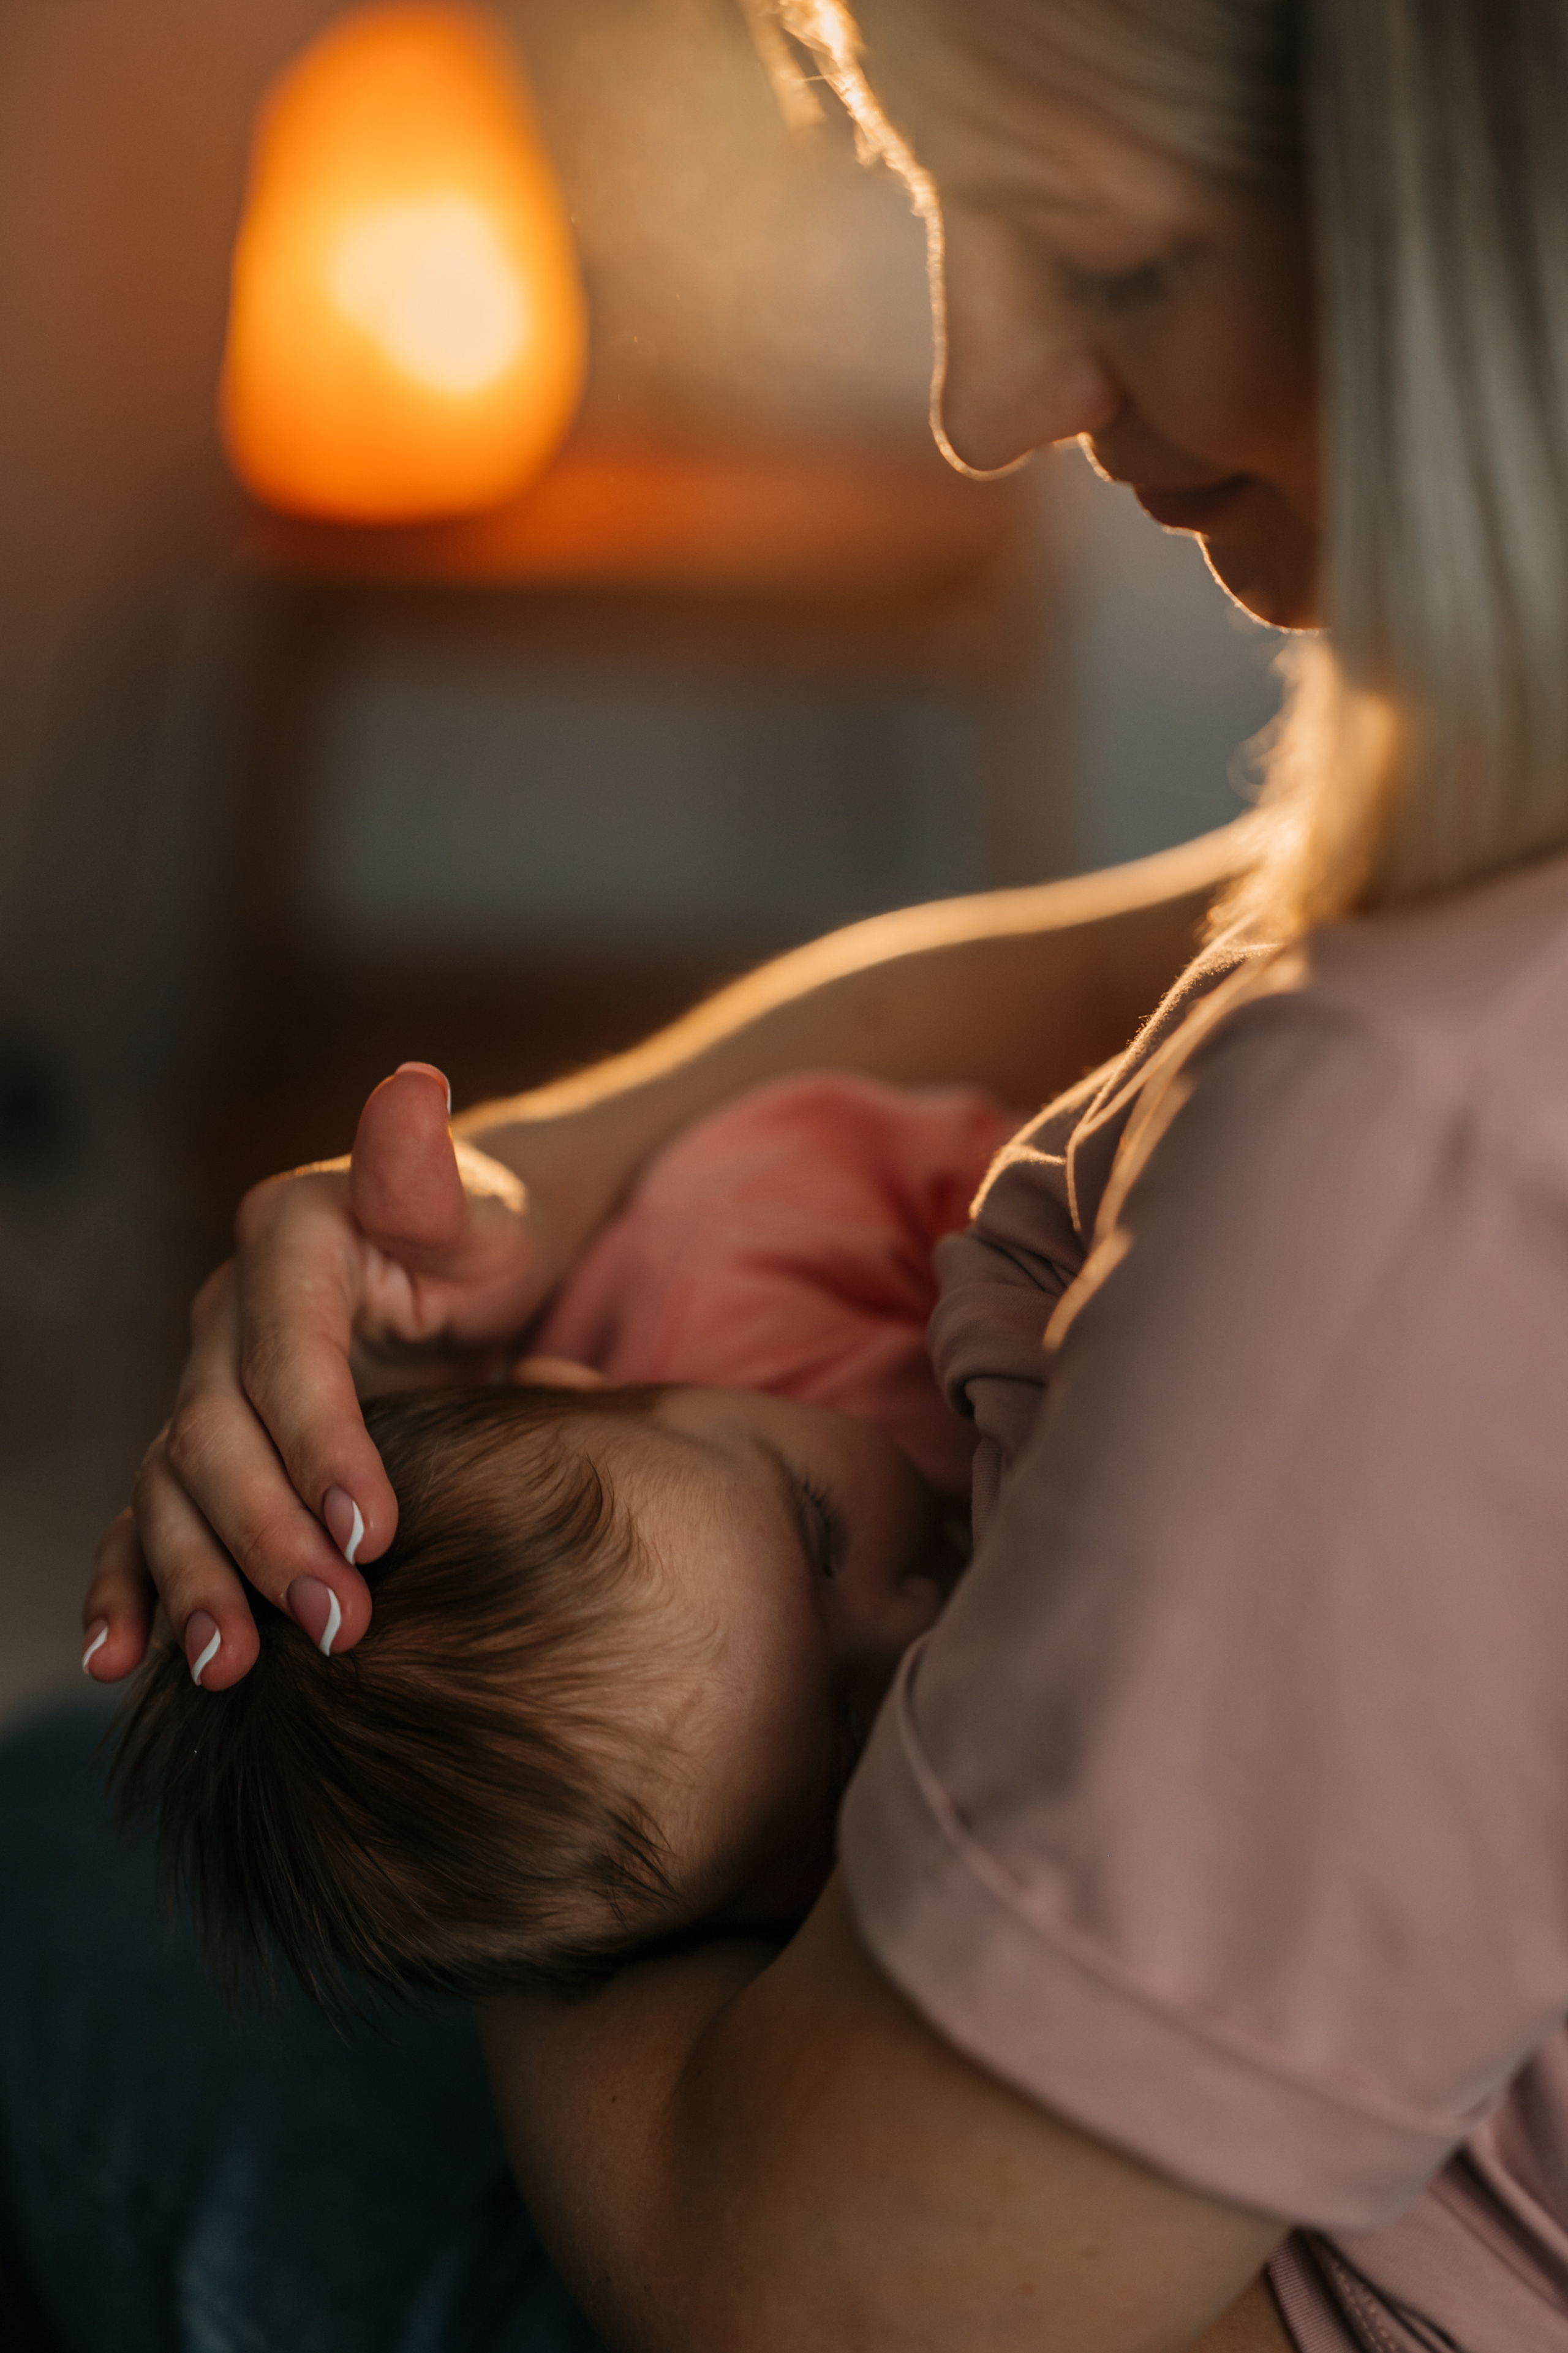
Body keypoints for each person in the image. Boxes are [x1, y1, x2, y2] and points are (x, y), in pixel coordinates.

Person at [8, 0, 1566, 2344]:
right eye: (934, 205)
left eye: (1102, 254)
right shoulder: (1492, 839)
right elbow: (1249, 905)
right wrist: (549, 1171)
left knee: (49, 1877)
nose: (985, 396)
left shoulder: (1407, 1171)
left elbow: (812, 2297)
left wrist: (508, 1861)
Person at [109, 1073, 1008, 2009]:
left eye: (823, 1528)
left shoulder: (747, 1249)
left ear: (581, 1383)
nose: (923, 1619)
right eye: (852, 1738)